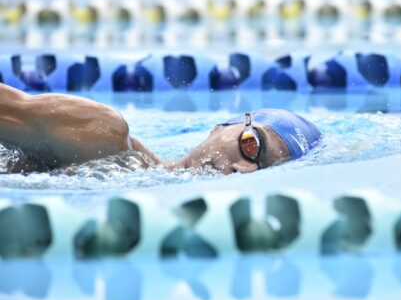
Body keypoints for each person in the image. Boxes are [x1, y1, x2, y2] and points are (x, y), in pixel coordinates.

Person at [0, 83, 321, 174]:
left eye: (258, 169)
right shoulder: (100, 132)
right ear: (219, 127)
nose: (241, 169)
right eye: (251, 145)